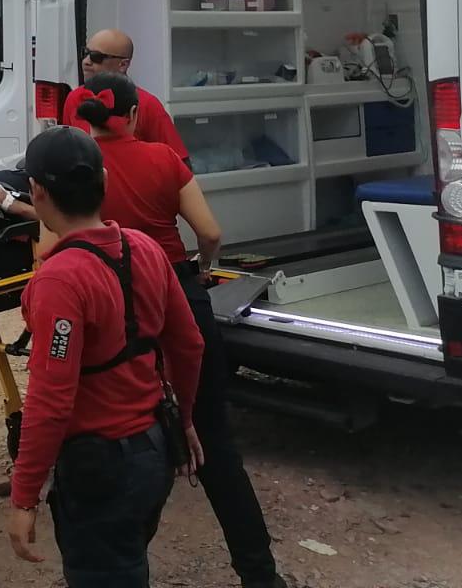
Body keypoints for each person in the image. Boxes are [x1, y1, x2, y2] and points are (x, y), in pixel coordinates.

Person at [59, 74, 289, 588]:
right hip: (177, 295)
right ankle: (261, 575)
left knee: (135, 438)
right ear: (137, 114)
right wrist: (203, 268)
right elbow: (210, 232)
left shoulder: (84, 172)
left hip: (117, 303)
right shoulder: (164, 160)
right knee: (216, 446)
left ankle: (121, 564)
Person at [5, 125, 205, 586]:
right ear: (106, 183)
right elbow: (189, 344)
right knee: (127, 558)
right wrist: (186, 419)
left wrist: (24, 497)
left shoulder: (59, 281)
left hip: (101, 467)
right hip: (155, 450)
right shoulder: (147, 249)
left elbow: (50, 400)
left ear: (36, 192)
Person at [65, 28, 190, 160]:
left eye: (97, 57)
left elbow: (180, 162)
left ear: (123, 64)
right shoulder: (75, 98)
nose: (86, 61)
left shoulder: (147, 105)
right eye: (85, 53)